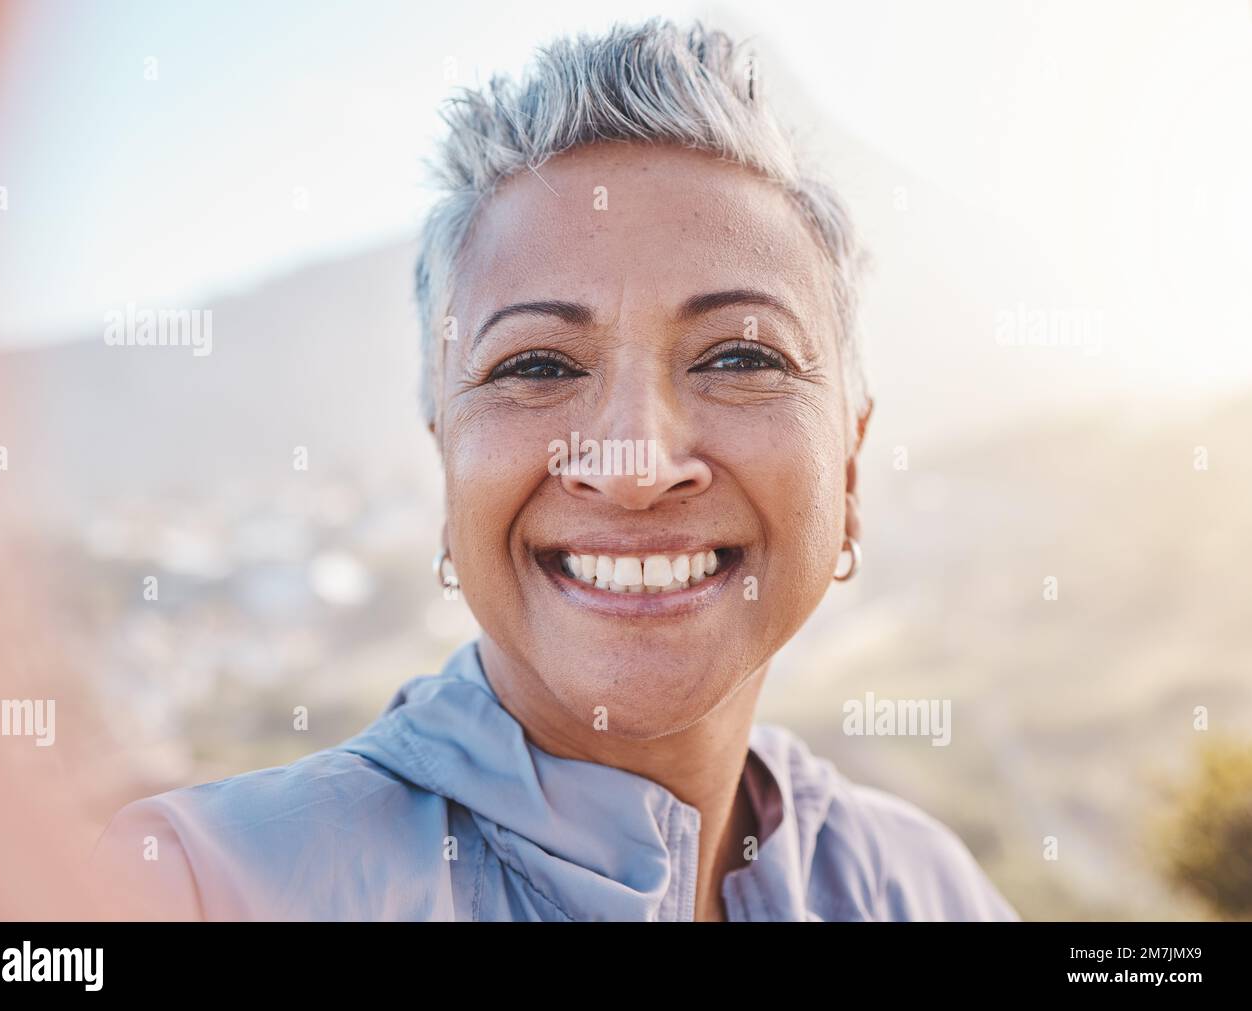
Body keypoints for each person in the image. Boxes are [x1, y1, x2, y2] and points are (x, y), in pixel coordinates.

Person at [92, 17, 1018, 922]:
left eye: (740, 358)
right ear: (446, 462)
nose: (635, 466)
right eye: (537, 366)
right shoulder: (200, 887)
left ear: (850, 468)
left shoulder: (920, 886)